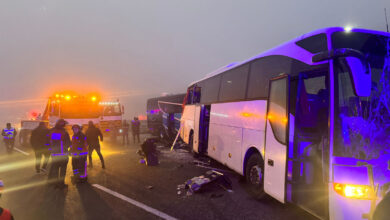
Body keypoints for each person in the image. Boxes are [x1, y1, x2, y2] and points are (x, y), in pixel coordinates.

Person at [48, 119, 71, 188]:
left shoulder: (51, 131)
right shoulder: (64, 132)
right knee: (63, 170)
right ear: (63, 125)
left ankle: (55, 184)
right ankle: (61, 184)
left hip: (54, 155)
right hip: (63, 155)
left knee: (55, 170)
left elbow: (48, 142)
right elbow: (68, 143)